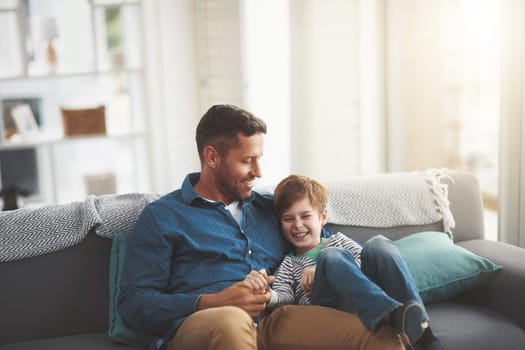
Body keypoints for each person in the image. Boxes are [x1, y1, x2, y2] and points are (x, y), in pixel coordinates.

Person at [118, 104, 405, 350]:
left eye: (259, 159)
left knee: (381, 335)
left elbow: (325, 245)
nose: (258, 172)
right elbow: (134, 304)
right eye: (247, 161)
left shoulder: (271, 208)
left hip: (277, 317)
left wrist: (321, 268)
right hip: (209, 322)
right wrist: (213, 300)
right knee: (231, 319)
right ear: (212, 157)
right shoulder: (163, 217)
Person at [244, 174, 442, 350]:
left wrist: (323, 268)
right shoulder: (288, 263)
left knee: (378, 244)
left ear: (322, 218)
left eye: (305, 216)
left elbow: (363, 268)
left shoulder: (338, 241)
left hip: (362, 298)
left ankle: (424, 334)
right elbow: (284, 296)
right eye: (288, 219)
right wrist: (268, 295)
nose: (297, 225)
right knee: (330, 256)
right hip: (330, 310)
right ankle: (393, 314)